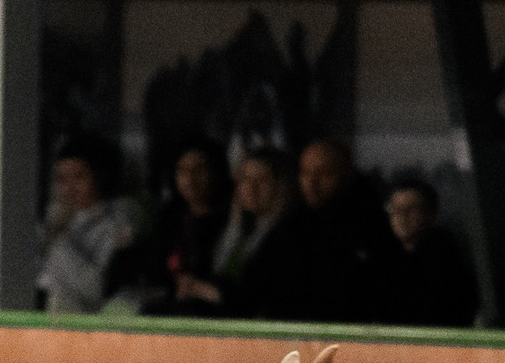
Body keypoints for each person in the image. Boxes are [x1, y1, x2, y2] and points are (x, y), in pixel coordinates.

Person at [259, 138, 389, 324]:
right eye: (305, 173)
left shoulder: (368, 226)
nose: (312, 183)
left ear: (346, 174)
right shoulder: (292, 223)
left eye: (324, 174)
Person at [177, 149, 291, 317]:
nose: (251, 188)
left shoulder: (287, 237)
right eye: (246, 179)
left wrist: (205, 290)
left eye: (262, 180)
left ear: (280, 185)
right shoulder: (234, 230)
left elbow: (260, 299)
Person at [118, 141, 228, 316]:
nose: (190, 178)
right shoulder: (169, 217)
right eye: (182, 170)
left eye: (199, 169)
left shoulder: (230, 221)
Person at [37, 136, 141, 314]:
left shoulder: (117, 223)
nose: (69, 188)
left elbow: (95, 290)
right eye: (62, 179)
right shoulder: (50, 219)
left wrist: (57, 239)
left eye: (78, 177)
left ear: (100, 176)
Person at [372, 177, 479, 327]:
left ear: (430, 213)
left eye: (411, 209)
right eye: (395, 209)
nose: (402, 216)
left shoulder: (445, 259)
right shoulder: (384, 257)